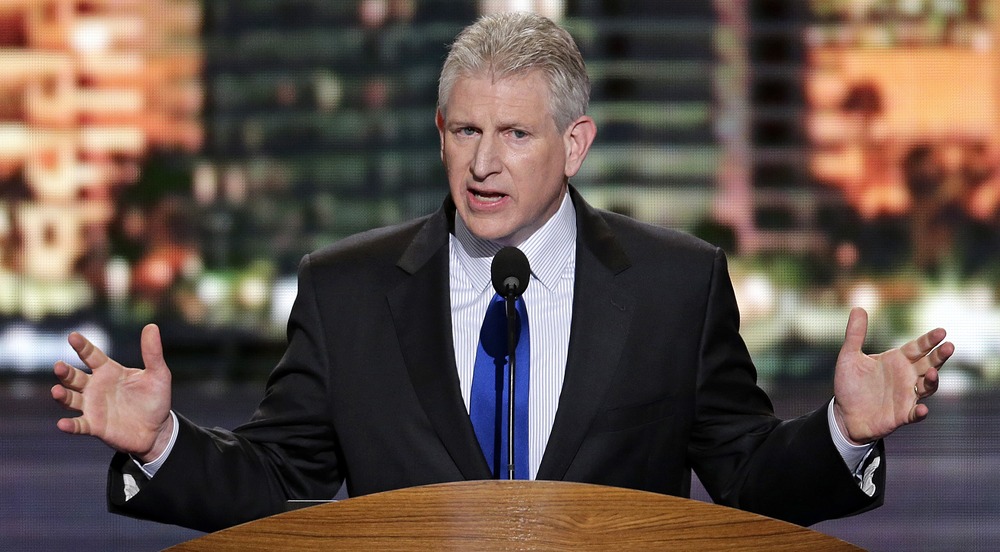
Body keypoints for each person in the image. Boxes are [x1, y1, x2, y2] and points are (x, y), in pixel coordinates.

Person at [51, 12, 953, 533]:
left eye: (516, 135)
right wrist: (161, 443)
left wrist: (844, 430)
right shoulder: (346, 289)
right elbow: (281, 482)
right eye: (465, 132)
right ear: (439, 133)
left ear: (575, 145)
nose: (484, 163)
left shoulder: (676, 285)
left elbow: (747, 479)